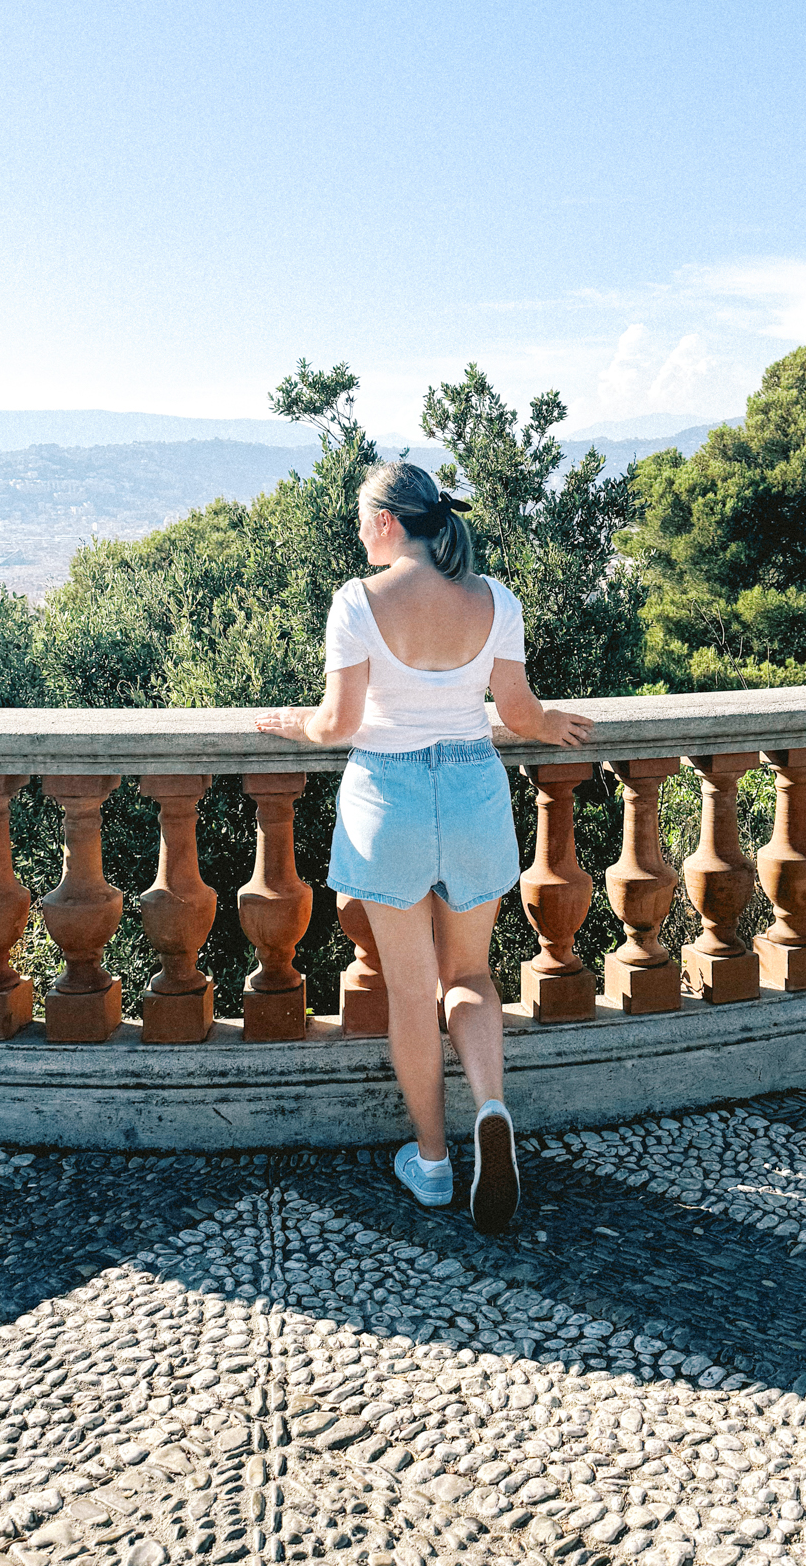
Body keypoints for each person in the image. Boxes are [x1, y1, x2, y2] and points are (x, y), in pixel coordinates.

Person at [255, 460, 593, 1232]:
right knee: (470, 974)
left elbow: (337, 726)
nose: (357, 532)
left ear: (385, 523)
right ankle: (493, 1106)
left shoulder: (357, 603)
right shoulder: (494, 599)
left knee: (413, 992)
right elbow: (519, 709)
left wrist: (294, 724)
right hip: (474, 789)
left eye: (359, 519)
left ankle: (434, 1164)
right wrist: (553, 727)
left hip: (389, 797)